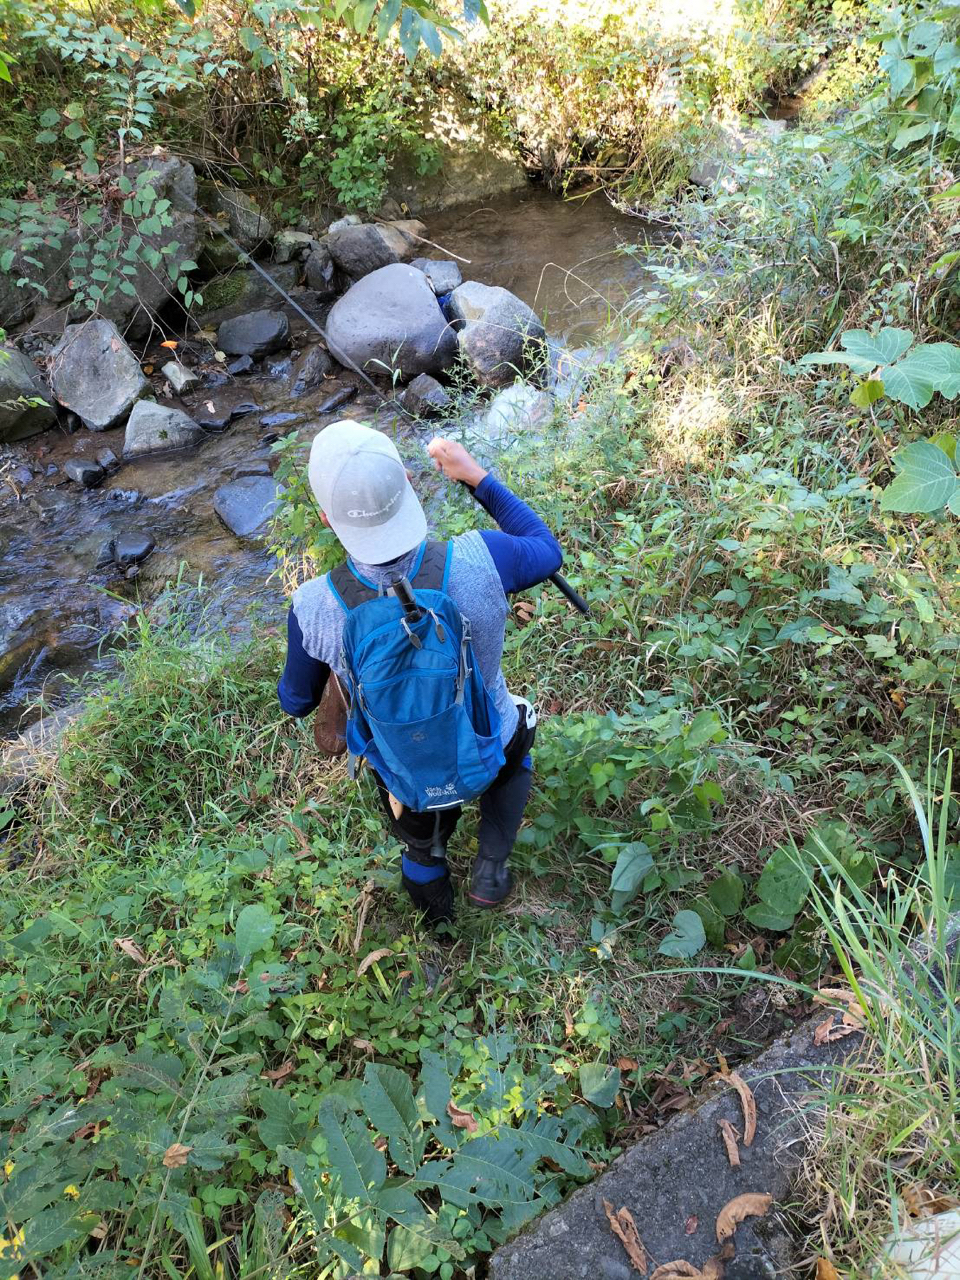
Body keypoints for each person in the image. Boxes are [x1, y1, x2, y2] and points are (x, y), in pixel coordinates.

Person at [277, 419, 562, 926]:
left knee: (419, 843)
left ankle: (438, 922)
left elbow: (296, 702)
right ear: (408, 484)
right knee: (516, 741)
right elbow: (545, 546)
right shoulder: (484, 558)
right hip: (488, 744)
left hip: (407, 772)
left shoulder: (312, 605)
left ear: (326, 517)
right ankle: (491, 871)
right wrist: (476, 476)